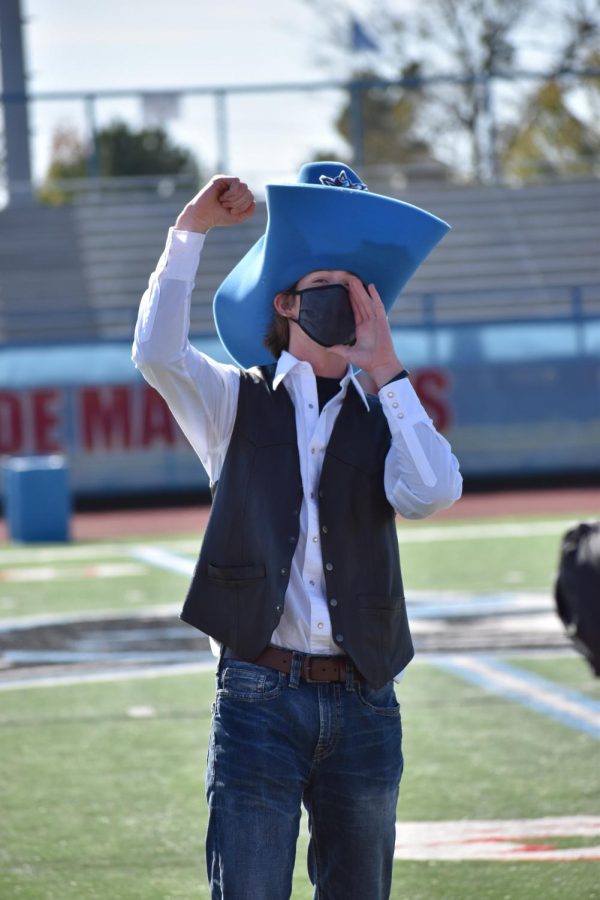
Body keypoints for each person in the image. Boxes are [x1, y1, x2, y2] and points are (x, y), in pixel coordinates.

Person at [132, 162, 462, 900]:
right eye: (327, 289)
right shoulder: (231, 400)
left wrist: (388, 369)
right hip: (257, 695)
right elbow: (157, 354)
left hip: (366, 700)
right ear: (284, 302)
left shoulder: (388, 412)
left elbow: (434, 492)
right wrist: (189, 231)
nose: (346, 304)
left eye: (358, 290)